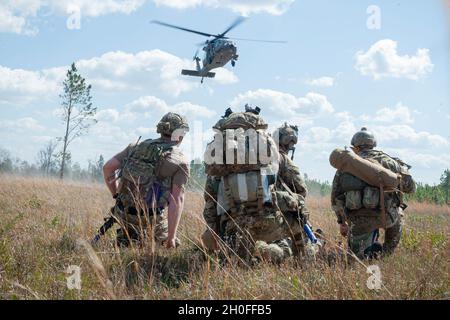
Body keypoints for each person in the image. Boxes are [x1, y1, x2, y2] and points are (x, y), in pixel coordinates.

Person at [201, 106, 295, 264]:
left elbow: (210, 202)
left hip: (233, 223)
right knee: (285, 249)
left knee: (234, 259)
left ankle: (246, 255)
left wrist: (214, 229)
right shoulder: (267, 158)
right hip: (266, 220)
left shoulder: (219, 169)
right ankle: (264, 251)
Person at [102, 112, 190, 248]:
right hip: (150, 218)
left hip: (123, 212)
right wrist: (171, 238)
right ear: (180, 134)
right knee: (174, 247)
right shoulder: (180, 161)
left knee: (130, 238)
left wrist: (116, 195)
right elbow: (176, 200)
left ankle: (128, 238)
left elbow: (108, 168)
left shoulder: (134, 147)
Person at [331, 127, 416, 259]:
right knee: (399, 213)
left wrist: (342, 221)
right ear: (373, 144)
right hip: (387, 217)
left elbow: (335, 197)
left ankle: (359, 255)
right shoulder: (390, 162)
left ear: (355, 146)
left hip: (358, 220)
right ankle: (387, 254)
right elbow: (410, 188)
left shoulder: (346, 166)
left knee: (355, 259)